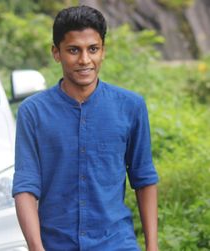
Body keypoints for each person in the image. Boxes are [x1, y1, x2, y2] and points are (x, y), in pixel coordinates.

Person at [12, 5, 159, 251]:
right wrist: (37, 248)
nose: (84, 60)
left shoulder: (130, 106)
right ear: (56, 53)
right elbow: (25, 186)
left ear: (103, 51)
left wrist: (152, 247)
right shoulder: (33, 112)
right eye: (73, 50)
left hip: (116, 243)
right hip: (56, 243)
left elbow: (143, 178)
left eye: (93, 49)